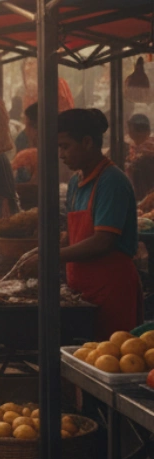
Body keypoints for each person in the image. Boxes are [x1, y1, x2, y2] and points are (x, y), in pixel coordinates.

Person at [20, 109, 142, 337]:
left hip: (111, 289)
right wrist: (42, 248)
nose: (61, 154)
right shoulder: (77, 182)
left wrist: (50, 258)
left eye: (65, 146)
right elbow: (72, 235)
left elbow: (103, 241)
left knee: (111, 358)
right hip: (81, 291)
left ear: (87, 142)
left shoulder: (112, 181)